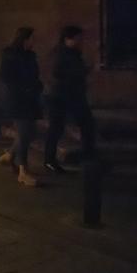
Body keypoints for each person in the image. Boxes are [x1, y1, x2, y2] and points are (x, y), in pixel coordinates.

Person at [45, 26, 96, 173]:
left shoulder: (71, 53)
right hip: (61, 96)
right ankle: (49, 159)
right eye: (78, 38)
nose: (81, 41)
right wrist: (81, 73)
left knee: (86, 124)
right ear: (69, 39)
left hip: (72, 95)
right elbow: (58, 74)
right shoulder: (61, 54)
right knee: (57, 128)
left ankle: (88, 156)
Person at [0, 27, 44, 187]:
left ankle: (10, 155)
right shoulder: (10, 55)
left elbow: (34, 75)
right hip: (18, 99)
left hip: (30, 98)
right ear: (25, 39)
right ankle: (23, 172)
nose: (34, 42)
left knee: (30, 132)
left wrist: (37, 87)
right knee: (24, 134)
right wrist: (23, 88)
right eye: (32, 38)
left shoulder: (30, 56)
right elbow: (5, 77)